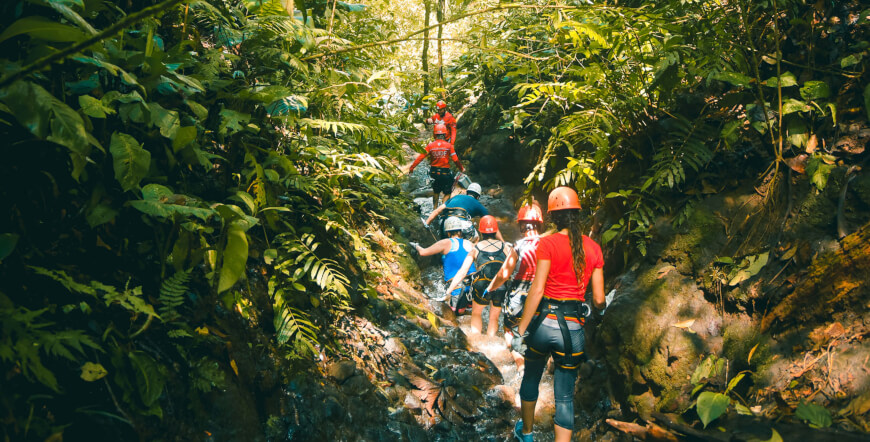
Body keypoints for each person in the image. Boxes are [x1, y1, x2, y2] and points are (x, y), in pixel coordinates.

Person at [512, 187, 605, 442]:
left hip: (543, 326)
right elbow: (598, 299)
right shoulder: (594, 248)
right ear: (578, 214)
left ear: (553, 218)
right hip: (572, 330)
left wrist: (521, 330)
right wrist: (600, 309)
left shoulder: (548, 243)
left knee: (531, 378)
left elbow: (537, 289)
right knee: (564, 396)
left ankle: (527, 434)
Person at [481, 203, 545, 366]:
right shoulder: (548, 245)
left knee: (510, 331)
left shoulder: (519, 246)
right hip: (542, 297)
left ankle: (520, 366)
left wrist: (490, 288)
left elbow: (503, 274)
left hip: (518, 297)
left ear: (522, 225)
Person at [445, 215, 512, 336]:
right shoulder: (505, 247)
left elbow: (463, 271)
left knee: (476, 313)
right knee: (494, 318)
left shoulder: (476, 248)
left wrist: (449, 290)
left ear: (481, 232)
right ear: (496, 231)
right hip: (500, 285)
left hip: (482, 284)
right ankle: (491, 342)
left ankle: (477, 341)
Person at [410, 216, 476, 314]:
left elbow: (423, 252)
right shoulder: (470, 244)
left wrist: (416, 246)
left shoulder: (446, 243)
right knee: (471, 313)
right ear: (460, 231)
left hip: (457, 289)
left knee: (455, 314)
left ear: (447, 232)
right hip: (473, 288)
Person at [407, 123, 465, 208]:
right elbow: (455, 159)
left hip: (434, 172)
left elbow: (420, 157)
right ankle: (442, 207)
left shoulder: (430, 146)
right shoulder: (448, 146)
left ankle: (434, 208)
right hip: (445, 173)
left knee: (436, 190)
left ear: (435, 134)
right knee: (448, 191)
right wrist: (461, 168)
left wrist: (412, 168)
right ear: (445, 134)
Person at [425, 183, 502, 241]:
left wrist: (426, 224)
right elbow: (492, 223)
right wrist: (503, 242)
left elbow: (437, 211)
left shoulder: (455, 197)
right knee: (476, 238)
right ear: (478, 197)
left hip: (445, 223)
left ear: (467, 192)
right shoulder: (477, 204)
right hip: (462, 224)